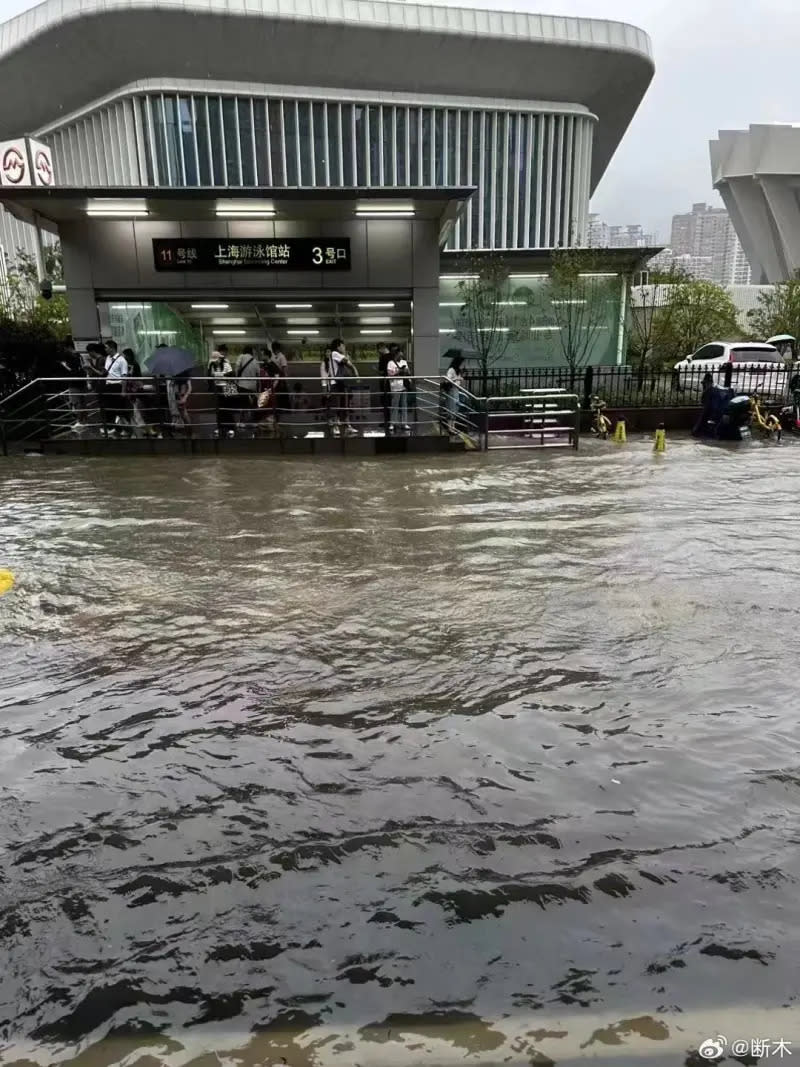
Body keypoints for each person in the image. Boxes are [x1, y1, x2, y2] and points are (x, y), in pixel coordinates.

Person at [321, 338, 357, 436]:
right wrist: (355, 371)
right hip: (335, 383)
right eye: (343, 345)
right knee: (336, 405)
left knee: (345, 405)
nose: (344, 347)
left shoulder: (339, 355)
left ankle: (348, 425)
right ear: (338, 346)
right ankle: (336, 426)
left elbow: (349, 364)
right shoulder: (334, 354)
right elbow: (349, 364)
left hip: (343, 383)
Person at [209, 345, 237, 436]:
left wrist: (222, 375)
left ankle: (231, 427)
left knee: (227, 408)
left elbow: (231, 375)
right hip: (218, 387)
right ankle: (220, 426)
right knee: (219, 408)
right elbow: (211, 376)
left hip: (227, 387)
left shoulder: (226, 363)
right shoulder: (212, 364)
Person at [235, 345, 260, 429]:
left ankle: (242, 422)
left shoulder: (241, 357)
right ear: (251, 352)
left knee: (243, 403)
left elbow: (237, 367)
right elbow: (258, 374)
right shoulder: (255, 360)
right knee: (253, 404)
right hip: (253, 385)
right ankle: (254, 422)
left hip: (242, 384)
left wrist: (236, 377)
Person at [387, 347, 411, 434]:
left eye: (402, 354)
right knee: (395, 406)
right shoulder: (390, 363)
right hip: (395, 387)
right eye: (400, 354)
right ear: (396, 354)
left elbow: (408, 373)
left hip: (403, 386)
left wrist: (406, 371)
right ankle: (392, 423)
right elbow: (389, 374)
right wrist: (398, 372)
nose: (401, 356)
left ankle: (404, 423)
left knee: (404, 405)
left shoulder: (404, 362)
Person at [443, 352, 465, 433]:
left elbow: (460, 382)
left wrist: (460, 378)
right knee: (451, 409)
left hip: (456, 390)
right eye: (461, 363)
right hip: (451, 390)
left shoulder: (458, 371)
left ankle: (453, 426)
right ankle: (450, 427)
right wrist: (457, 379)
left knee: (455, 409)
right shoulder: (451, 370)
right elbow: (447, 380)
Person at [377, 343, 392, 428]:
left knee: (386, 402)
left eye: (379, 350)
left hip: (385, 382)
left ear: (382, 348)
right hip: (394, 383)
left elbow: (381, 371)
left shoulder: (383, 357)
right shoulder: (393, 356)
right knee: (392, 402)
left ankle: (387, 421)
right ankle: (392, 422)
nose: (378, 352)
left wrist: (376, 370)